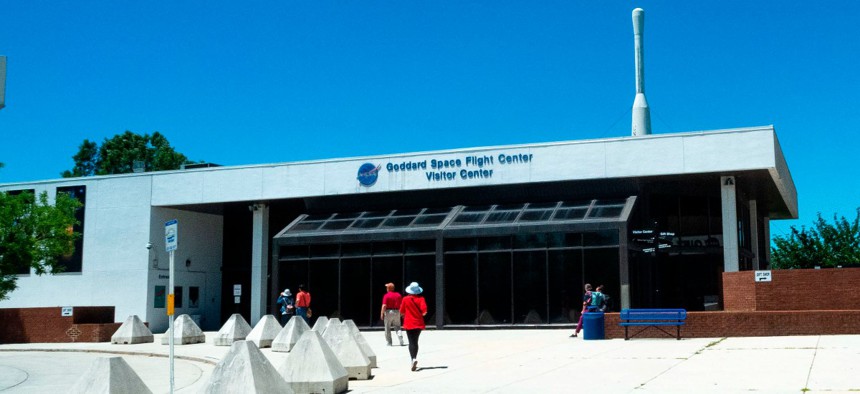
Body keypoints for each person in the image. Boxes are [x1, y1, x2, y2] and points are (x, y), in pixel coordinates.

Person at [400, 281, 427, 371]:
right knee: (415, 341)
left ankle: (413, 359)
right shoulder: (421, 299)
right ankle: (414, 358)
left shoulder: (405, 299)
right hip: (418, 323)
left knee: (411, 342)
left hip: (408, 322)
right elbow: (424, 312)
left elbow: (402, 311)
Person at [380, 282, 405, 346]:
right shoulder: (398, 295)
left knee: (387, 327)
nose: (386, 288)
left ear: (388, 288)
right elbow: (401, 305)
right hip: (397, 311)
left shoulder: (386, 295)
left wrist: (382, 313)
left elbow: (384, 306)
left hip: (388, 312)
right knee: (397, 326)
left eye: (387, 287)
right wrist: (402, 314)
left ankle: (389, 342)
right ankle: (400, 338)